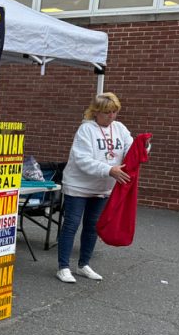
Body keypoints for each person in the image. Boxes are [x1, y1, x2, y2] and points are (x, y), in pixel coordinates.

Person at [56, 91, 132, 283]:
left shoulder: (120, 128)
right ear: (96, 112)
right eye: (107, 112)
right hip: (78, 185)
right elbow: (82, 160)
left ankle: (83, 265)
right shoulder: (86, 129)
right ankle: (63, 267)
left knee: (92, 227)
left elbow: (130, 150)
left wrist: (144, 147)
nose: (111, 116)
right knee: (71, 225)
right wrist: (109, 170)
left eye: (114, 112)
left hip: (103, 187)